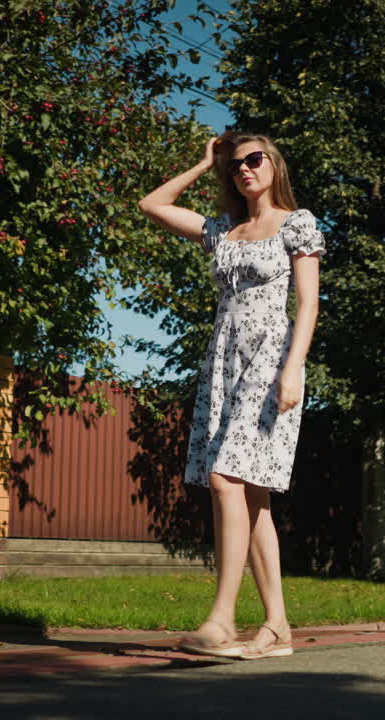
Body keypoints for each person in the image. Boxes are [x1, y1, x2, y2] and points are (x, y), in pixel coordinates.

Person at [137, 131, 325, 660]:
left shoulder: (296, 223)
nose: (244, 168)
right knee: (253, 495)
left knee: (225, 478)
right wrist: (204, 163)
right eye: (236, 163)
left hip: (271, 358)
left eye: (254, 159)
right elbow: (152, 204)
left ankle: (221, 619)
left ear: (274, 164)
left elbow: (308, 304)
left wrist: (293, 369)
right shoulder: (222, 230)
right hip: (224, 362)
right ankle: (277, 628)